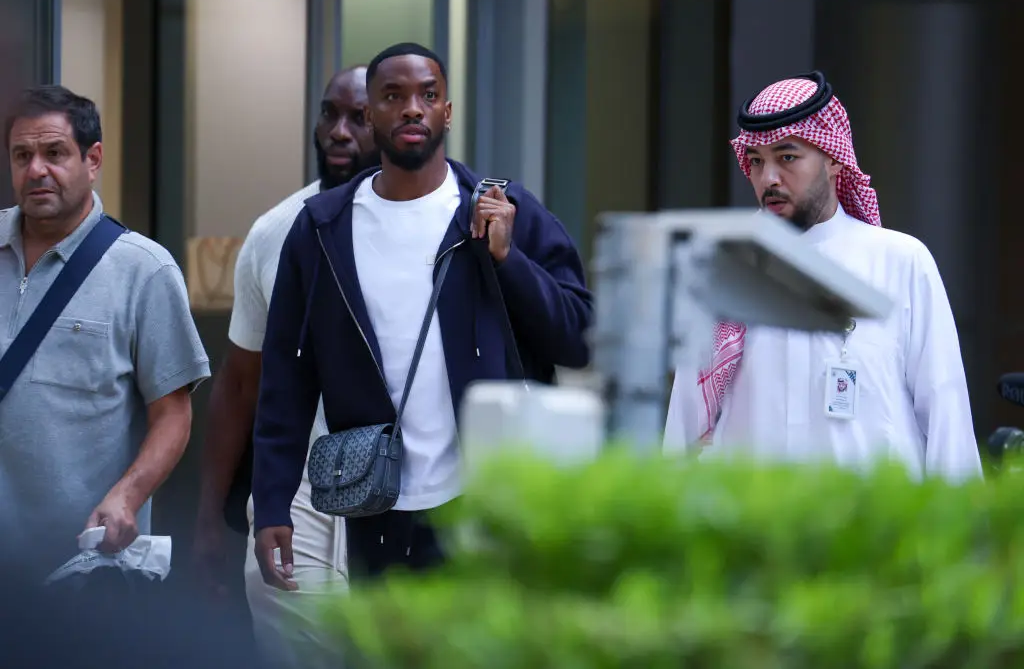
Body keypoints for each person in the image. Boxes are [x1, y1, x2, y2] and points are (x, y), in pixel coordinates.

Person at [251, 41, 592, 588]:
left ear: (447, 112)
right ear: (370, 113)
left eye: (428, 95)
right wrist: (271, 503)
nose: (412, 108)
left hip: (489, 502)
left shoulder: (502, 210)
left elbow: (578, 337)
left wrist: (507, 259)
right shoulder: (322, 229)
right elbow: (286, 376)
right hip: (374, 504)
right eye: (393, 96)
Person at [663, 71, 983, 482]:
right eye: (757, 161)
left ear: (833, 159)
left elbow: (946, 418)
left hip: (873, 534)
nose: (769, 179)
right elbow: (685, 428)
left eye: (787, 157)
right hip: (758, 532)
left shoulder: (900, 262)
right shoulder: (726, 269)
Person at [191, 66, 379, 667]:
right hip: (296, 487)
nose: (338, 132)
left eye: (357, 117)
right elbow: (240, 382)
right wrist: (207, 516)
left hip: (404, 484)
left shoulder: (435, 224)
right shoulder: (275, 232)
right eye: (329, 114)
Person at [0, 85, 210, 579]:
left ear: (93, 160)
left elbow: (173, 413)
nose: (36, 170)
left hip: (77, 566)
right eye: (21, 155)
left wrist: (128, 496)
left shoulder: (144, 270)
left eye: (54, 153)